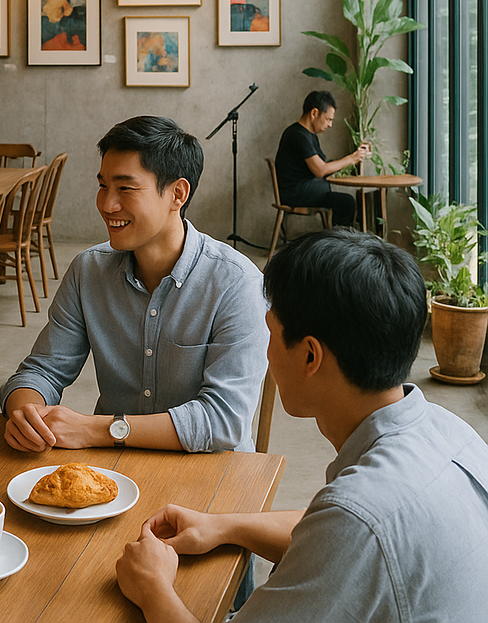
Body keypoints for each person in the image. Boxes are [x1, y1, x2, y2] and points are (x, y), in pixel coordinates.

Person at [116, 229, 488, 623]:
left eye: (271, 334)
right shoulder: (451, 432)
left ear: (311, 356)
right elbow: (334, 533)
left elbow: (353, 528)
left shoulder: (357, 514)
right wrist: (222, 526)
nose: (266, 351)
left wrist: (153, 587)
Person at [1, 115, 267, 455]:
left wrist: (97, 429)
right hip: (114, 468)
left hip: (210, 475)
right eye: (102, 186)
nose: (107, 204)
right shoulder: (88, 270)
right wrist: (25, 412)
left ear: (177, 194)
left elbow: (223, 421)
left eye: (125, 188)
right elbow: (42, 371)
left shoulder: (236, 284)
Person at [274, 90, 367, 226]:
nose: (330, 125)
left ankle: (337, 240)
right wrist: (351, 159)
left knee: (344, 197)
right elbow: (320, 171)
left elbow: (323, 167)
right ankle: (338, 243)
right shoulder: (298, 135)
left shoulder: (310, 135)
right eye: (328, 119)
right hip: (294, 192)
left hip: (303, 188)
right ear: (314, 113)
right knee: (346, 202)